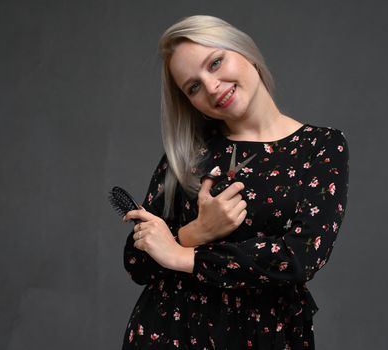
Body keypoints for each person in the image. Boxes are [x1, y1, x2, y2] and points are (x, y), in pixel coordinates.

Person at [121, 15, 349, 350]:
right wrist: (194, 233)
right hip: (172, 331)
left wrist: (185, 257)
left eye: (215, 63)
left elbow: (300, 257)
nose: (212, 87)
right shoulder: (189, 153)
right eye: (193, 87)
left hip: (264, 335)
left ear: (244, 51)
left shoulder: (321, 147)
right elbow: (137, 261)